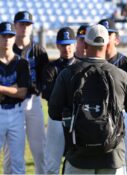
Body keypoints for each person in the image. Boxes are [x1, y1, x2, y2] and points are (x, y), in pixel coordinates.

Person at [48, 24, 127, 175]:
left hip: (78, 155)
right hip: (112, 156)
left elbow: (53, 112)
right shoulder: (121, 75)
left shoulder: (67, 74)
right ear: (107, 45)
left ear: (85, 45)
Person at [3, 11, 49, 174]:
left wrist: (27, 85)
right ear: (15, 26)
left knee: (39, 149)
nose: (24, 28)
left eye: (28, 24)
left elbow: (44, 79)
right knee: (10, 153)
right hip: (12, 104)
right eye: (21, 24)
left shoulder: (39, 51)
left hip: (33, 102)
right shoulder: (7, 47)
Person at [98, 18, 127, 167]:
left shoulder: (126, 64)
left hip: (120, 115)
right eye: (103, 33)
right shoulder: (92, 61)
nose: (105, 37)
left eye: (109, 34)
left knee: (120, 160)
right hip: (96, 115)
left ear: (117, 39)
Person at [42, 27, 77, 174]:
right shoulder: (51, 67)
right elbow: (48, 94)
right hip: (57, 118)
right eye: (63, 44)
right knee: (51, 164)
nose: (66, 48)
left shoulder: (82, 66)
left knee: (76, 163)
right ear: (57, 45)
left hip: (77, 118)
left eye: (69, 44)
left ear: (74, 44)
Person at [0, 21, 30, 174]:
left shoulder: (21, 63)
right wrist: (12, 89)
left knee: (17, 162)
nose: (6, 39)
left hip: (16, 113)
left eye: (10, 36)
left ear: (14, 38)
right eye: (3, 36)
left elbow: (23, 92)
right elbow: (17, 90)